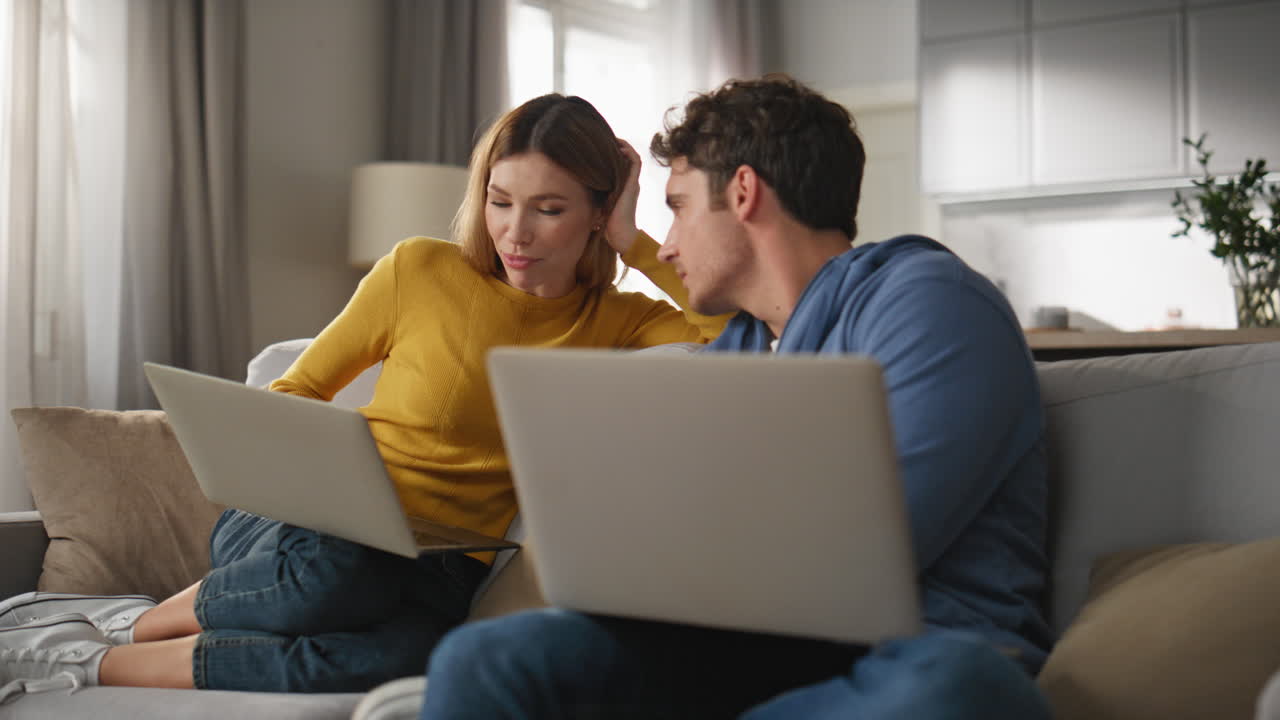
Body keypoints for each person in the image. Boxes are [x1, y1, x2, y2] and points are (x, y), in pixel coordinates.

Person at [0, 94, 727, 700]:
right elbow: (295, 391)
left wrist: (634, 240)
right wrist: (314, 483)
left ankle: (90, 661)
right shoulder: (420, 270)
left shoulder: (619, 321)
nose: (515, 231)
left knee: (406, 656)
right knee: (337, 576)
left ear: (597, 213)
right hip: (308, 531)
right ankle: (133, 623)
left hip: (443, 563)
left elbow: (731, 333)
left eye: (549, 209)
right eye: (500, 201)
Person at [412, 75, 1055, 719]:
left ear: (744, 193)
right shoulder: (742, 347)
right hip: (745, 652)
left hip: (908, 654)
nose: (666, 245)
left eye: (678, 207)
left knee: (955, 690)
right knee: (487, 658)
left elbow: (879, 546)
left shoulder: (930, 303)